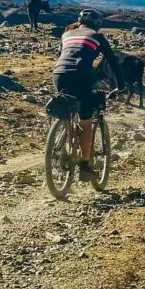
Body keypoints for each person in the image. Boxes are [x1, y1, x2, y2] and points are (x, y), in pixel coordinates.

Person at [50, 9, 125, 181]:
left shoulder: (66, 35)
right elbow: (113, 63)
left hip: (59, 75)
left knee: (67, 104)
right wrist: (121, 86)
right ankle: (84, 167)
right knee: (85, 121)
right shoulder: (97, 37)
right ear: (98, 24)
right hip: (81, 76)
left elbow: (62, 55)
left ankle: (63, 136)